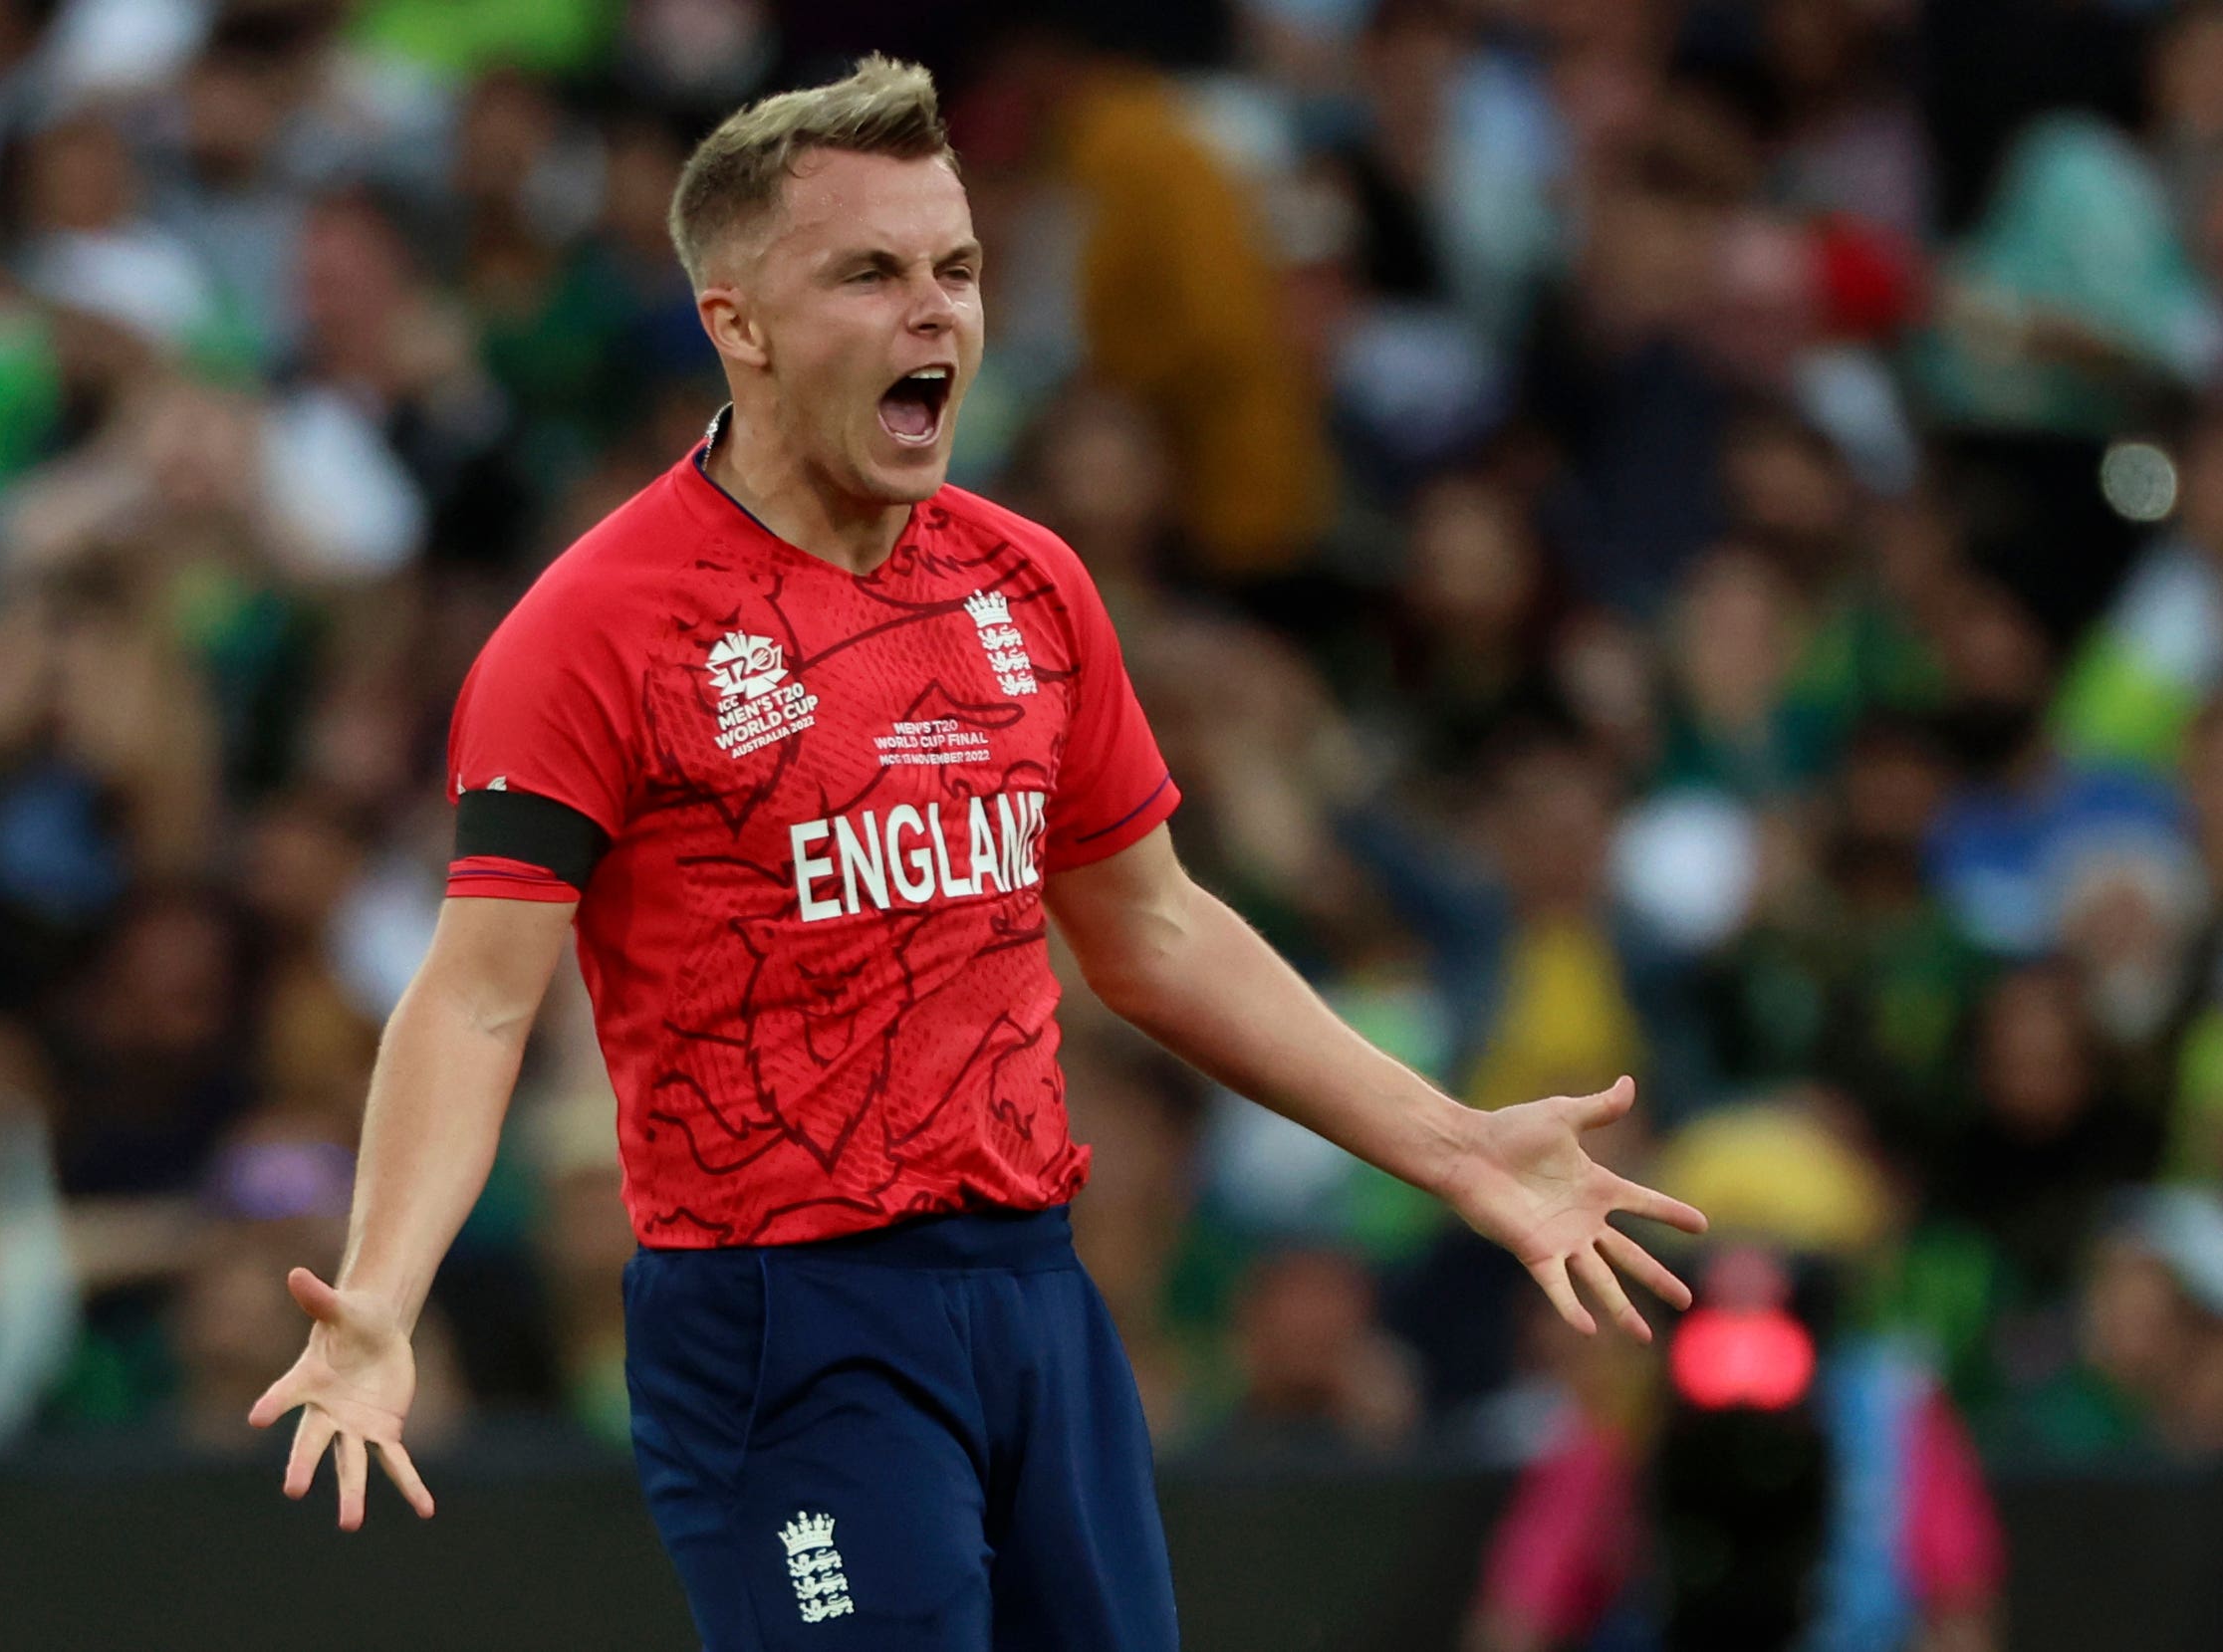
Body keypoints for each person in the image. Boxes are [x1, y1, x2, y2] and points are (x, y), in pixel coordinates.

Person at [246, 55, 1709, 1650]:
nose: (932, 312)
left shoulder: (1027, 587)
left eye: (955, 268)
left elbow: (1150, 929)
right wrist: (382, 1297)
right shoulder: (597, 629)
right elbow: (472, 998)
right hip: (781, 1324)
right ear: (735, 322)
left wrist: (1451, 1145)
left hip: (1031, 1302)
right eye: (867, 273)